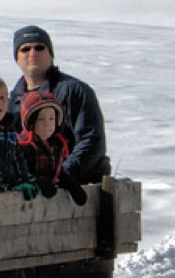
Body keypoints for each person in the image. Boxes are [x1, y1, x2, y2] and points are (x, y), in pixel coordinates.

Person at [7, 24, 112, 184]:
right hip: (34, 190)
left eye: (40, 47)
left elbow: (91, 141)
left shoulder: (74, 91)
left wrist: (61, 175)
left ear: (51, 54)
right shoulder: (12, 101)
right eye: (25, 49)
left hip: (80, 187)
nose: (32, 53)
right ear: (17, 58)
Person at [15, 90, 86, 204]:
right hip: (25, 202)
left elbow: (57, 169)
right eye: (41, 119)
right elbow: (20, 171)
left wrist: (70, 184)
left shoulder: (57, 144)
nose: (47, 124)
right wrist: (39, 182)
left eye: (52, 119)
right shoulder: (25, 145)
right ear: (31, 122)